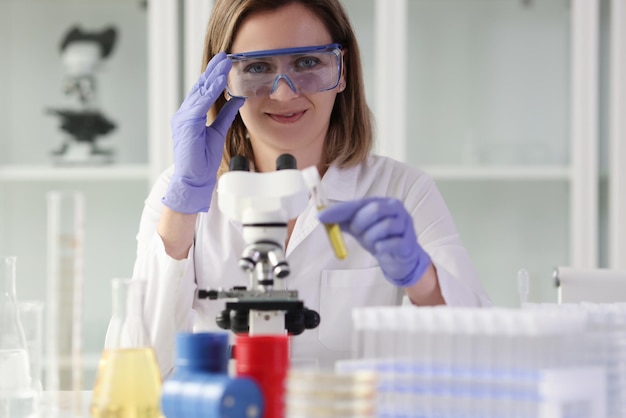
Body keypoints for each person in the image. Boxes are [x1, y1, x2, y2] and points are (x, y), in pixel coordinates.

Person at [128, 0, 492, 378]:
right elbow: (136, 371)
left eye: (306, 63)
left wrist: (422, 279)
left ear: (342, 70)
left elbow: (483, 356)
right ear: (222, 84)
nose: (284, 94)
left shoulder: (402, 190)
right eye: (256, 68)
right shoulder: (178, 193)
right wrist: (184, 205)